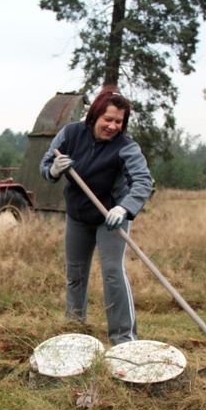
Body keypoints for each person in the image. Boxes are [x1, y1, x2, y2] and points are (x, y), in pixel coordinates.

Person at [40, 86, 153, 345]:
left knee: (113, 272)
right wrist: (55, 170)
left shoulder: (126, 147)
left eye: (119, 122)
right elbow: (45, 165)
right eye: (108, 119)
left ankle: (123, 338)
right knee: (75, 274)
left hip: (111, 216)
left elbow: (143, 182)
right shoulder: (70, 134)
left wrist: (124, 208)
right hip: (78, 215)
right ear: (94, 115)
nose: (113, 126)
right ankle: (74, 332)